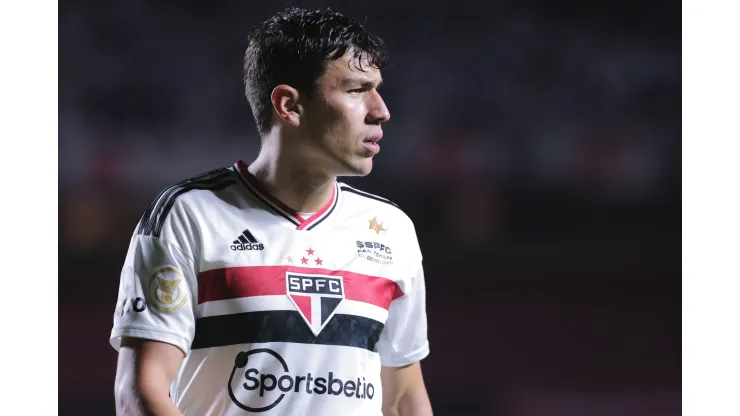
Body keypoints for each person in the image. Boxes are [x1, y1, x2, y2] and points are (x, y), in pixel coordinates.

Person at [111, 7, 432, 416]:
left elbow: (403, 398)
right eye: (356, 90)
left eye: (377, 89)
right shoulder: (189, 216)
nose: (381, 109)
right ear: (289, 105)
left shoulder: (391, 230)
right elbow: (141, 392)